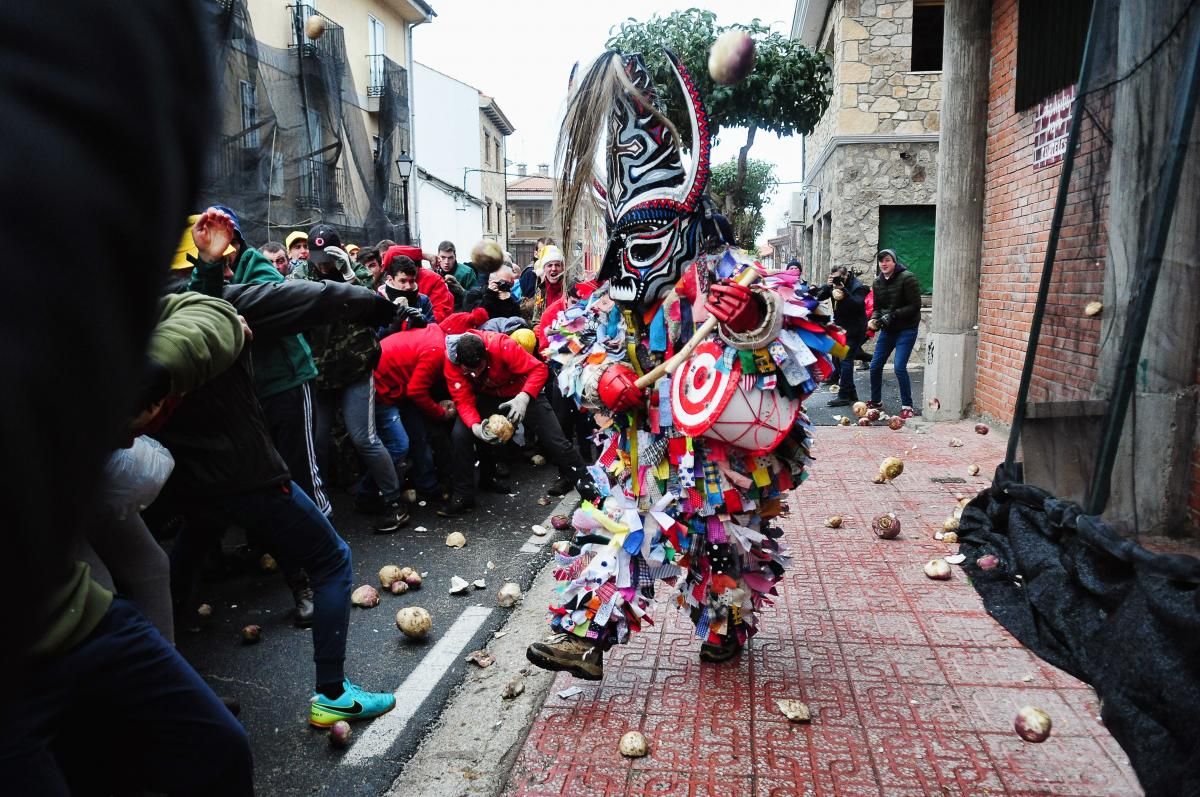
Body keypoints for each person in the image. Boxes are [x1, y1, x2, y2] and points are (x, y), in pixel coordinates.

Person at [2, 2, 255, 792]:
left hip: (66, 611)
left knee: (212, 749)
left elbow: (215, 317)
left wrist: (139, 371)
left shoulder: (181, 287)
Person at [523, 50, 838, 680]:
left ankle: (724, 627)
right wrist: (597, 378)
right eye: (622, 244)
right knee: (618, 531)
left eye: (644, 243)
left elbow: (806, 360)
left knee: (715, 551)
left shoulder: (735, 276)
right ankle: (582, 635)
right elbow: (568, 351)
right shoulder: (611, 298)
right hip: (641, 448)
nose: (629, 264)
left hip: (720, 453)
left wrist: (752, 320)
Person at [297, 224, 410, 532]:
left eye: (328, 257)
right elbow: (288, 295)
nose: (322, 264)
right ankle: (317, 508)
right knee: (316, 444)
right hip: (319, 373)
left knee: (364, 438)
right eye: (317, 257)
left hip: (355, 368)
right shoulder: (302, 276)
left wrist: (347, 272)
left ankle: (393, 502)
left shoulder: (355, 274)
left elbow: (374, 303)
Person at [440, 330, 587, 516]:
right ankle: (465, 494)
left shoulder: (501, 345)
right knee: (460, 434)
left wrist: (524, 397)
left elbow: (539, 369)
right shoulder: (452, 361)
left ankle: (586, 485)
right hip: (487, 395)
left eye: (478, 368)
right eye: (469, 371)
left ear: (486, 355)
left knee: (554, 439)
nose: (474, 374)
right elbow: (462, 399)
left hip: (522, 391)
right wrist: (475, 427)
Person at [867, 248, 922, 418]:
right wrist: (875, 319)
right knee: (875, 365)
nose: (884, 264)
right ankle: (876, 402)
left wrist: (893, 315)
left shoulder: (908, 278)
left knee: (899, 366)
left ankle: (907, 405)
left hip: (907, 328)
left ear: (894, 261)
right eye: (881, 261)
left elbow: (915, 305)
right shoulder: (877, 282)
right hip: (888, 329)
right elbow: (877, 308)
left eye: (887, 260)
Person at [820, 265, 870, 407]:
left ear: (846, 275)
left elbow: (857, 304)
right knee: (838, 358)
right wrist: (827, 286)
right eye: (834, 277)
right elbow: (820, 297)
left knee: (846, 359)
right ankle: (852, 393)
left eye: (839, 277)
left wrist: (843, 290)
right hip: (841, 327)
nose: (837, 280)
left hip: (856, 328)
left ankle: (844, 395)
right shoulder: (834, 286)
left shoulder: (857, 286)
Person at [379, 255, 435, 323]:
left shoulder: (423, 300)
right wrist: (393, 325)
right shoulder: (379, 301)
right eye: (403, 281)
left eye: (411, 281)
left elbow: (433, 328)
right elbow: (374, 332)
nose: (408, 286)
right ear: (390, 279)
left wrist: (423, 321)